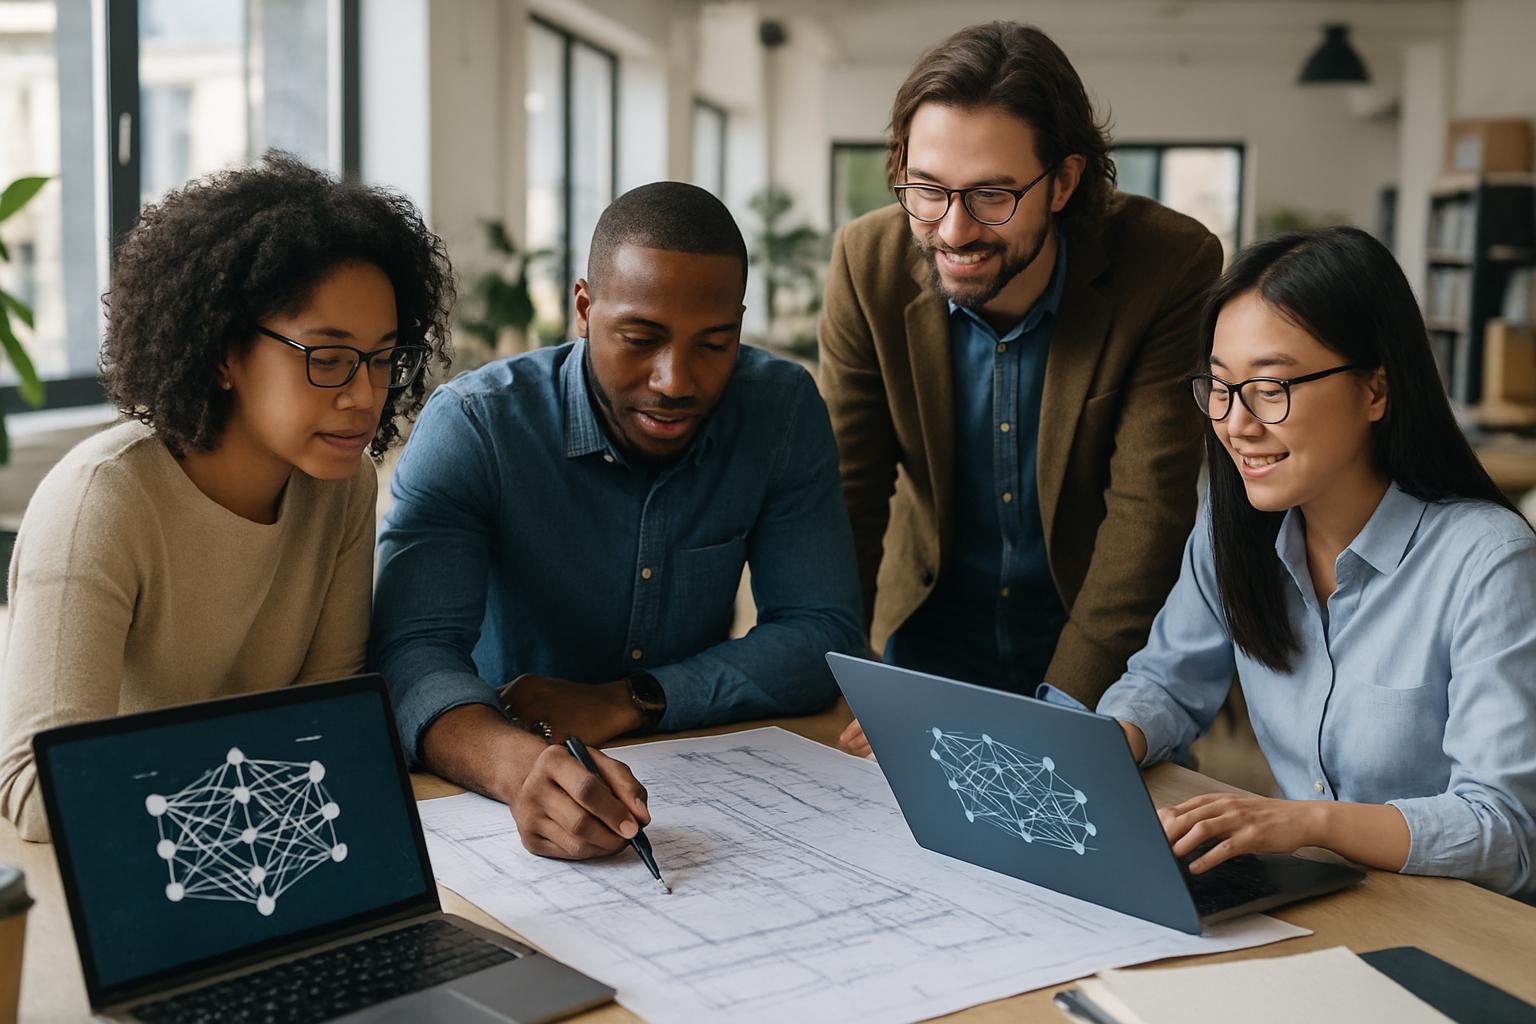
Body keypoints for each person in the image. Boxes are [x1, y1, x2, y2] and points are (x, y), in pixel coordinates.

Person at [370, 181, 863, 861]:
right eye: (641, 338)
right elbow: (409, 655)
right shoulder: (477, 427)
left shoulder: (780, 413)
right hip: (497, 790)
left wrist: (635, 699)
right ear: (583, 308)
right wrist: (521, 769)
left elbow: (823, 634)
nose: (675, 380)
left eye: (714, 344)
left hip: (712, 795)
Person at [0, 154, 453, 841]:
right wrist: (264, 776)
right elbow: (38, 795)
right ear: (222, 351)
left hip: (260, 852)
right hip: (108, 880)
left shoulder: (341, 487)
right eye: (326, 358)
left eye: (384, 357)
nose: (364, 395)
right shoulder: (103, 501)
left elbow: (329, 724)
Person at [1097, 226, 1536, 901]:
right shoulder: (1231, 528)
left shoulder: (1488, 564)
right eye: (1219, 387)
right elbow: (1167, 683)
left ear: (1376, 390)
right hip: (1318, 901)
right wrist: (1105, 744)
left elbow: (1504, 832)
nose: (1236, 422)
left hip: (1461, 927)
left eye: (1270, 387)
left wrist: (1308, 823)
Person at [819, 22, 1221, 756]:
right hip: (926, 658)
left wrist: (1063, 714)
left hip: (1100, 672)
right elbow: (848, 493)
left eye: (992, 196)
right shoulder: (865, 264)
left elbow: (1149, 513)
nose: (953, 229)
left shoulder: (1168, 265)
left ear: (1064, 182)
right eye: (928, 191)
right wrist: (845, 681)